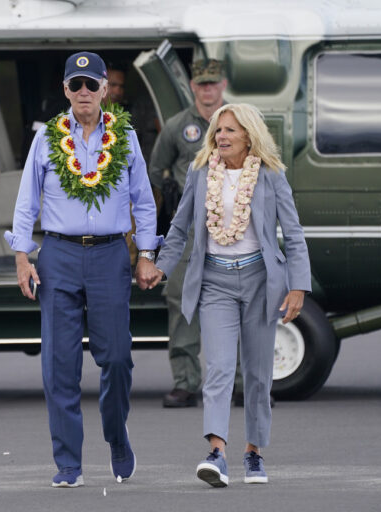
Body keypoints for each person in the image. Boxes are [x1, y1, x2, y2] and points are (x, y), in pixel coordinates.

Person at [4, 51, 160, 488]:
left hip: (111, 254)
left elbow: (143, 202)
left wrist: (146, 253)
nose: (85, 92)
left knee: (117, 358)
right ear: (66, 91)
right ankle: (69, 462)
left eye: (93, 85)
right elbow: (26, 201)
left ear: (106, 91)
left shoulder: (125, 136)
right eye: (77, 85)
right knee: (59, 364)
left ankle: (116, 437)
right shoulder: (47, 137)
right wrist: (22, 255)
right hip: (59, 254)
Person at [138, 103, 310, 486]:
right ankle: (217, 452)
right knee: (217, 369)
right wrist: (161, 266)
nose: (222, 137)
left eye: (230, 130)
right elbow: (179, 227)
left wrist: (298, 285)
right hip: (214, 281)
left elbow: (294, 235)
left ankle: (254, 453)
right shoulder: (201, 174)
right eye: (218, 130)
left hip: (260, 281)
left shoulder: (271, 175)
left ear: (249, 135)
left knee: (257, 374)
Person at [148, 59, 229, 408]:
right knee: (181, 302)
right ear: (193, 87)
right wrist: (171, 195)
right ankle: (185, 382)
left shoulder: (241, 122)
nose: (207, 89)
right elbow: (155, 168)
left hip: (232, 227)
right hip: (189, 229)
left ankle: (240, 381)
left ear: (223, 84)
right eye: (202, 84)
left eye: (213, 83)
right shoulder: (177, 126)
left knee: (236, 305)